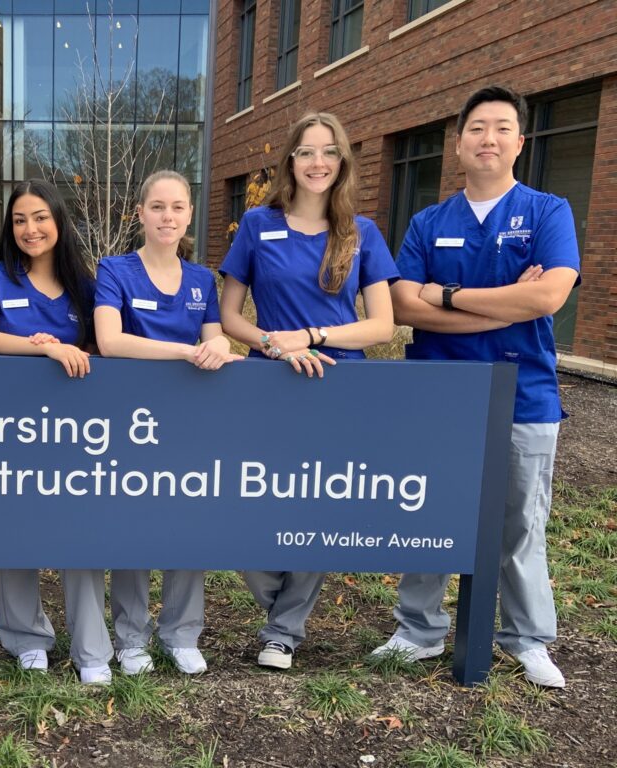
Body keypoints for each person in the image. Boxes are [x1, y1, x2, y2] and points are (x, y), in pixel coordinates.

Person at [374, 85, 580, 689]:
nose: (488, 139)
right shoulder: (428, 221)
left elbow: (547, 296)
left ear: (519, 141)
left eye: (501, 128)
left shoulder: (548, 212)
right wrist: (504, 306)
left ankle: (527, 639)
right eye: (476, 129)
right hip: (441, 395)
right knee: (431, 509)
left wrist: (451, 296)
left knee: (520, 522)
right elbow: (405, 304)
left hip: (525, 393)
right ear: (458, 144)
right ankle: (418, 628)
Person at [219, 112, 398, 670]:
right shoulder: (256, 224)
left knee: (315, 503)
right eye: (305, 152)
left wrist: (314, 336)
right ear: (289, 162)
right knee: (248, 500)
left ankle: (283, 631)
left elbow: (381, 325)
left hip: (336, 386)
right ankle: (279, 602)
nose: (316, 162)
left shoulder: (361, 233)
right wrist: (277, 345)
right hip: (267, 381)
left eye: (328, 152)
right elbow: (229, 316)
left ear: (341, 161)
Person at [95, 169, 242, 676]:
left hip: (189, 423)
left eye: (177, 207)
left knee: (188, 524)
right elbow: (110, 342)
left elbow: (217, 335)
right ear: (140, 213)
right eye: (157, 207)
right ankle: (131, 637)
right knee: (133, 526)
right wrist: (187, 351)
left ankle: (181, 633)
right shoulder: (114, 270)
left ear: (189, 216)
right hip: (131, 424)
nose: (167, 216)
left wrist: (218, 346)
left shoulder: (202, 279)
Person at [0, 180, 113, 684]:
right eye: (20, 219)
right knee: (16, 530)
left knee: (83, 533)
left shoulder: (84, 283)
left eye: (40, 217)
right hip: (11, 426)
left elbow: (100, 347)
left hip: (76, 431)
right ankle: (25, 638)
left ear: (59, 221)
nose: (31, 229)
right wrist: (43, 346)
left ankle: (92, 647)